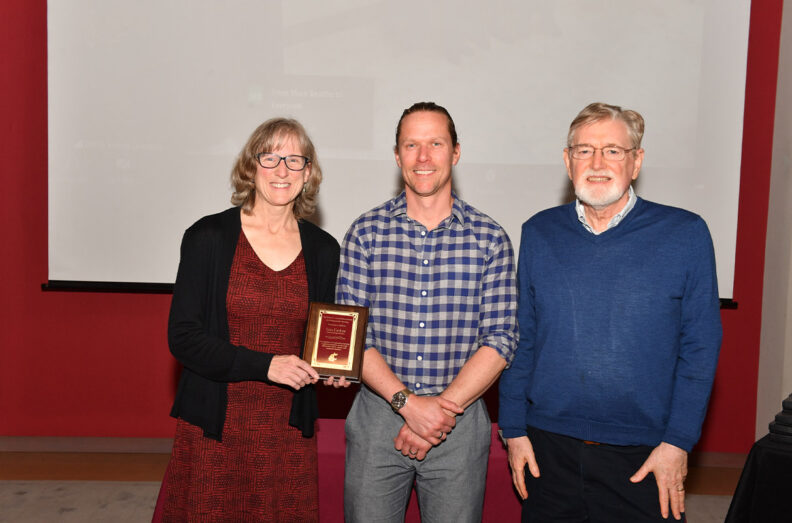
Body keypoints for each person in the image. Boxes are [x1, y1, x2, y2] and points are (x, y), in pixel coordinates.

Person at [498, 102, 722, 522]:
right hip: (549, 448)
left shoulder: (686, 233)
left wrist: (677, 443)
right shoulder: (538, 232)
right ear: (567, 161)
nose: (597, 163)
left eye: (613, 151)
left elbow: (701, 349)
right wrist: (513, 429)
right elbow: (521, 338)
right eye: (584, 150)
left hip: (645, 454)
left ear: (636, 162)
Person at [336, 101, 519, 522]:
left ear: (455, 152)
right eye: (411, 145)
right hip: (378, 419)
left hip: (459, 423)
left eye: (435, 143)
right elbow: (354, 336)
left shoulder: (490, 239)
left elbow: (501, 340)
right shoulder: (365, 233)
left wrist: (439, 410)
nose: (423, 157)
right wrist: (408, 404)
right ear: (397, 155)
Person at [162, 118, 342, 521]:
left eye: (295, 160)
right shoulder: (207, 237)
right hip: (215, 426)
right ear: (251, 166)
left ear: (308, 172)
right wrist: (266, 365)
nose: (282, 170)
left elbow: (324, 338)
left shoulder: (324, 250)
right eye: (270, 157)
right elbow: (184, 338)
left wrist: (333, 369)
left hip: (287, 431)